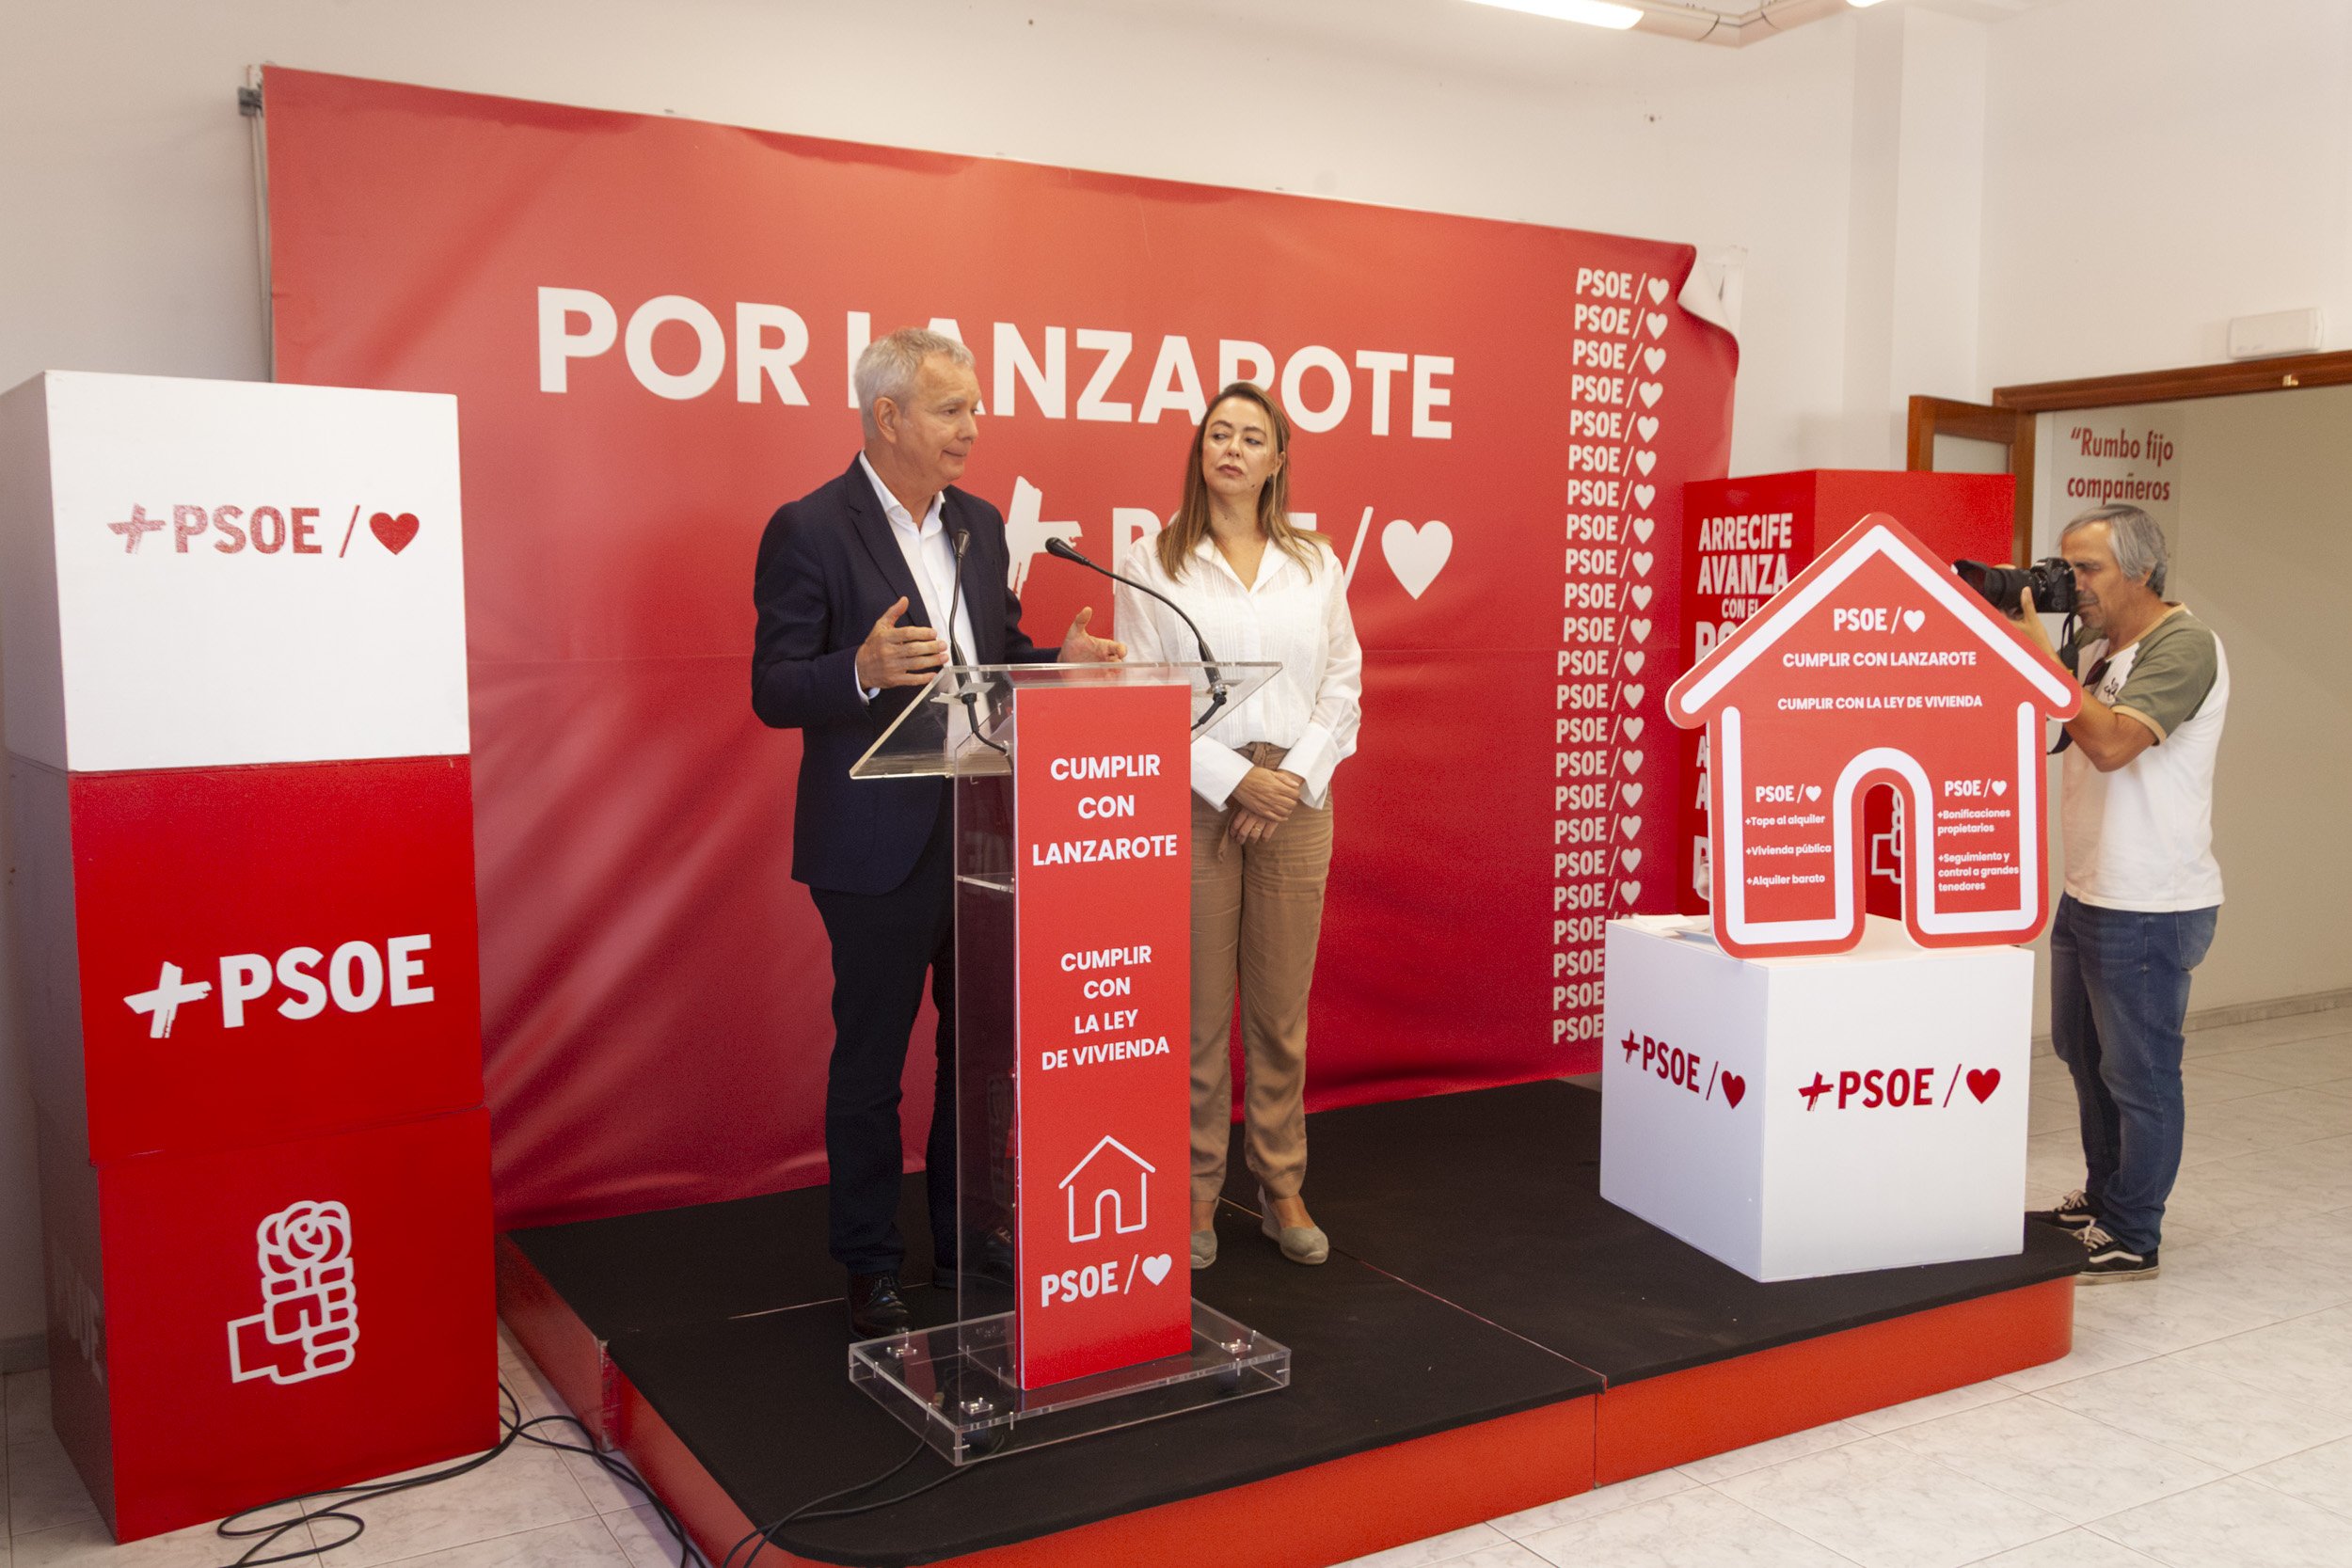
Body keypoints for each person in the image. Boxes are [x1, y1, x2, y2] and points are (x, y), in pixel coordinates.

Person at [752, 327, 1124, 1337]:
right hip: (874, 842)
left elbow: (992, 659)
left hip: (984, 836)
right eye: (953, 409)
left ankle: (969, 1235)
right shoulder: (810, 528)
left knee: (981, 1054)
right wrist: (862, 667)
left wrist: (1061, 660)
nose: (974, 427)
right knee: (872, 1063)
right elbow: (773, 687)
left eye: (973, 408)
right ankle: (870, 1263)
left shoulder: (979, 522)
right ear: (888, 417)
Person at [1113, 383, 1362, 1270]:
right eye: (1219, 432)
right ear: (1199, 451)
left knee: (1280, 1011)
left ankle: (1282, 1180)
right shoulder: (1153, 560)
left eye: (1252, 436)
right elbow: (1142, 690)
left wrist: (1288, 778)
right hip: (1196, 798)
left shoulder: (1314, 562)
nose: (1232, 447)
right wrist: (1233, 779)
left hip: (1296, 800)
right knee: (1195, 1015)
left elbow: (1342, 682)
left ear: (1277, 458)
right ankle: (1193, 1188)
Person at [2010, 502, 2227, 1283]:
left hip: (2151, 902)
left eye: (2088, 568)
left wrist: (2045, 661)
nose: (2074, 585)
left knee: (2139, 1072)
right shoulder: (2104, 648)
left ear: (2139, 568)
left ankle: (2135, 1230)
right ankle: (2104, 1197)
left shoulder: (2185, 644)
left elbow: (2108, 746)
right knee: (2083, 1052)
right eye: (2067, 568)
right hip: (2091, 888)